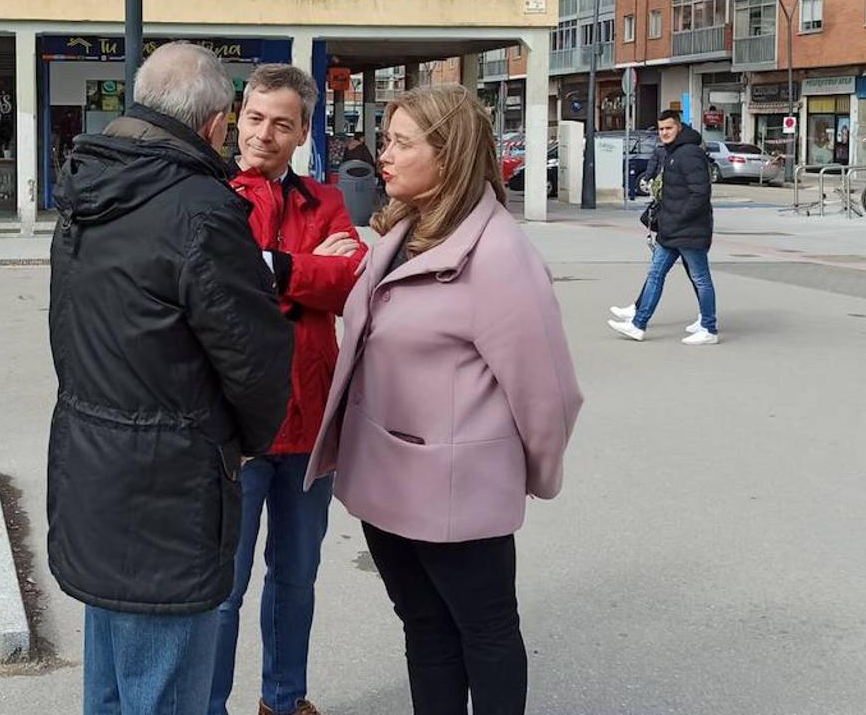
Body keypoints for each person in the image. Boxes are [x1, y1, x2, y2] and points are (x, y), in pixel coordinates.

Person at [305, 84, 584, 715]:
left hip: (458, 490)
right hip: (386, 483)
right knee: (424, 626)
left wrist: (528, 477)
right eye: (386, 140)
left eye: (402, 143)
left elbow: (549, 391)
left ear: (449, 156)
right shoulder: (404, 230)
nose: (384, 155)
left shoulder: (500, 254)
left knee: (485, 632)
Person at [47, 42, 294, 715]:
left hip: (93, 469)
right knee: (162, 688)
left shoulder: (87, 189)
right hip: (171, 491)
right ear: (216, 123)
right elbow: (256, 359)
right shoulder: (201, 209)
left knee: (111, 687)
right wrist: (244, 442)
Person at [210, 64, 367, 715]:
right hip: (236, 429)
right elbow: (219, 295)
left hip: (309, 423)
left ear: (303, 132)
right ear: (236, 119)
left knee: (297, 578)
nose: (264, 134)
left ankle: (284, 699)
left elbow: (353, 282)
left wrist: (274, 270)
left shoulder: (325, 201)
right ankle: (208, 705)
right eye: (254, 118)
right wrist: (306, 273)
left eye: (282, 123)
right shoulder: (213, 197)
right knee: (223, 588)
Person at [608, 110, 719, 345]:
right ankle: (638, 324)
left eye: (669, 128)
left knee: (700, 278)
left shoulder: (688, 153)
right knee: (656, 274)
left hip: (689, 229)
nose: (664, 133)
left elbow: (700, 193)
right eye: (661, 129)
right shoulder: (673, 152)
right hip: (672, 229)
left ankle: (709, 327)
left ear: (679, 127)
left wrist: (679, 218)